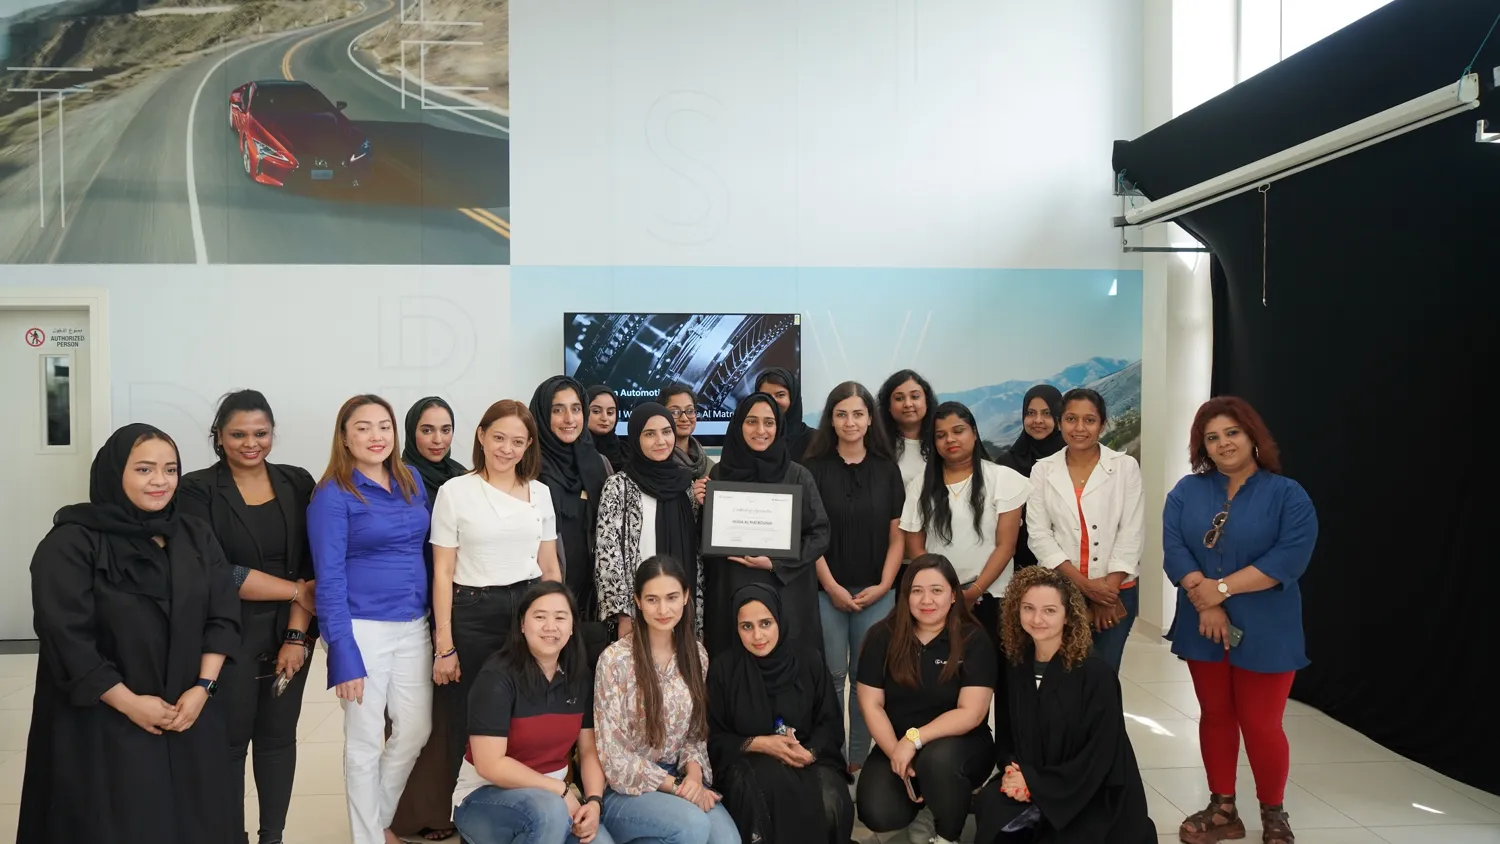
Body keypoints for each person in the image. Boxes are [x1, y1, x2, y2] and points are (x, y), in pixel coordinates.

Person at [19, 423, 240, 843]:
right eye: (144, 469)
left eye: (170, 469)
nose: (160, 481)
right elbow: (67, 638)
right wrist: (130, 704)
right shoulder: (71, 543)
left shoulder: (194, 533)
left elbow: (223, 614)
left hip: (188, 711)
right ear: (114, 472)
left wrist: (203, 688)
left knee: (198, 819)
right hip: (104, 721)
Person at [1163, 397, 1318, 844]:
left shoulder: (1288, 494)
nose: (1223, 443)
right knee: (1215, 714)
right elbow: (1175, 548)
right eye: (1212, 437)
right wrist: (1206, 601)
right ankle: (1222, 809)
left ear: (1252, 436)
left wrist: (1223, 589)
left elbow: (1289, 556)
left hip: (1269, 625)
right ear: (1202, 448)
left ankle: (1274, 813)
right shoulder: (1186, 492)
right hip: (1201, 620)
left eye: (1232, 432)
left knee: (1261, 722)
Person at [179, 391, 318, 844]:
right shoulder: (196, 489)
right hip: (226, 632)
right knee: (230, 742)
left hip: (290, 631)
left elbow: (310, 566)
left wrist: (297, 634)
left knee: (279, 740)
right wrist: (296, 590)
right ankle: (229, 834)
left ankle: (272, 837)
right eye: (238, 434)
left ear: (272, 434)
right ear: (218, 436)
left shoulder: (297, 482)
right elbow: (219, 570)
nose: (250, 443)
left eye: (260, 433)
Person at [308, 394, 434, 844]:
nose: (376, 436)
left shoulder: (410, 478)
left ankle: (377, 818)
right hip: (361, 628)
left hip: (413, 624)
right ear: (344, 436)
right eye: (363, 427)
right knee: (363, 742)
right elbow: (329, 576)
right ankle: (368, 838)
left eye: (384, 426)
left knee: (416, 728)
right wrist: (342, 651)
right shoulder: (331, 495)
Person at [430, 399, 562, 793]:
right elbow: (442, 571)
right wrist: (444, 644)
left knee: (527, 711)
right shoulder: (455, 491)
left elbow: (550, 567)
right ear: (481, 436)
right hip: (473, 611)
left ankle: (525, 802)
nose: (507, 449)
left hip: (530, 610)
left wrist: (557, 623)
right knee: (473, 714)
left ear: (529, 446)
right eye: (499, 437)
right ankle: (470, 809)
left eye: (518, 442)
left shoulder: (539, 493)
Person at [972, 566, 1157, 844]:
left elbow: (1099, 755)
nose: (1037, 619)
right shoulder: (1015, 665)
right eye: (1028, 608)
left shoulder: (1095, 673)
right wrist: (1014, 772)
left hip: (1087, 790)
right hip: (1033, 777)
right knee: (991, 806)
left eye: (1049, 610)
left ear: (1068, 615)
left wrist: (1036, 786)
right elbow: (1008, 735)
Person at [593, 556, 741, 844]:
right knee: (693, 827)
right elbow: (614, 754)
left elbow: (696, 734)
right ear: (637, 600)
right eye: (652, 599)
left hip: (680, 776)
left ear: (686, 596)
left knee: (727, 841)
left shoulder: (696, 655)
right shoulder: (614, 660)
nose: (663, 609)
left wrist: (695, 779)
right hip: (627, 789)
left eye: (672, 597)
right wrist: (677, 787)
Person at [452, 581, 613, 844]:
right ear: (522, 625)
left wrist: (594, 801)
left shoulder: (580, 677)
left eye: (561, 617)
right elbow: (489, 764)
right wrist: (560, 790)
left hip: (554, 801)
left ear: (572, 627)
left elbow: (588, 751)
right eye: (540, 617)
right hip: (484, 797)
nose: (551, 627)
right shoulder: (497, 677)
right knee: (546, 813)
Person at [854, 555, 998, 844]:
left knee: (937, 762)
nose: (926, 600)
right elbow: (871, 704)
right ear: (905, 595)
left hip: (960, 744)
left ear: (954, 595)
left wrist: (914, 739)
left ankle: (947, 835)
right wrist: (898, 752)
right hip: (896, 742)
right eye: (916, 591)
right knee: (877, 812)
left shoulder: (974, 639)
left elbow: (971, 712)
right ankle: (929, 804)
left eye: (937, 590)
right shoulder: (881, 636)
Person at [802, 381, 905, 771]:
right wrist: (830, 586)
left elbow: (898, 537)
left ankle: (859, 761)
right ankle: (832, 758)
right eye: (842, 413)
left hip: (877, 592)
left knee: (868, 680)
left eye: (858, 413)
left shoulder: (887, 469)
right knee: (831, 676)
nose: (850, 421)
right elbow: (808, 535)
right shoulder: (811, 470)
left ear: (869, 418)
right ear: (831, 418)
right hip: (825, 590)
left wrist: (884, 585)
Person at [707, 583, 854, 844]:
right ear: (736, 627)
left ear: (780, 620)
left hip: (807, 757)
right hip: (748, 762)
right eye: (746, 626)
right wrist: (759, 743)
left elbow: (829, 723)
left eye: (766, 623)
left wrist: (810, 752)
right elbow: (713, 737)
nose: (757, 636)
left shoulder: (809, 660)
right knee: (762, 791)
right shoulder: (723, 670)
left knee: (830, 800)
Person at [1024, 388, 1144, 672]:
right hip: (1062, 591)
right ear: (1060, 422)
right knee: (1062, 674)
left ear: (1102, 424)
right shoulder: (1042, 470)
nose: (1079, 428)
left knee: (1103, 673)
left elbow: (1131, 532)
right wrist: (1087, 586)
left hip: (1117, 592)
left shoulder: (1125, 467)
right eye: (1071, 419)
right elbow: (1039, 536)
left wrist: (1107, 593)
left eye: (1089, 420)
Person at [392, 396, 468, 842]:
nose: (437, 439)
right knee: (412, 716)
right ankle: (407, 816)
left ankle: (446, 809)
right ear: (411, 432)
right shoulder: (399, 477)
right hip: (412, 606)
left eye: (445, 429)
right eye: (427, 430)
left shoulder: (462, 478)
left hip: (459, 603)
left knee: (451, 715)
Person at [703, 392, 830, 658]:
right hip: (732, 587)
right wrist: (700, 503)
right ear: (738, 426)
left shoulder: (797, 475)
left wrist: (776, 563)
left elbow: (820, 534)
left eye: (769, 422)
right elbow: (705, 538)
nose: (761, 430)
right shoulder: (719, 474)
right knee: (735, 668)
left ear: (779, 427)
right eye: (751, 421)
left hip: (785, 590)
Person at [595, 403, 702, 641]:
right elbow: (608, 555)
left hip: (680, 609)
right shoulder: (618, 486)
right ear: (635, 438)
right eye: (649, 434)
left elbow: (695, 552)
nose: (660, 441)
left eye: (666, 431)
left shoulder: (686, 485)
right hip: (637, 611)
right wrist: (623, 614)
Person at [531, 376, 610, 631]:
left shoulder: (599, 464)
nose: (569, 419)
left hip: (594, 599)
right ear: (542, 415)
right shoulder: (528, 469)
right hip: (545, 596)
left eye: (576, 409)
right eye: (557, 410)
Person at [994, 385, 1066, 572]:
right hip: (1018, 567)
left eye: (1047, 413)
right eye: (1031, 413)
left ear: (1059, 417)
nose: (1038, 420)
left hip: (1069, 565)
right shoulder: (1006, 464)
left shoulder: (1071, 459)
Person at [878, 369, 936, 488]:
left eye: (915, 397)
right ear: (888, 405)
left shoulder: (940, 441)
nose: (908, 404)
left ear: (926, 401)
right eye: (899, 398)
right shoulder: (878, 446)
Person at [753, 367, 813, 463]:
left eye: (780, 395)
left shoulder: (815, 441)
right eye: (765, 396)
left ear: (792, 398)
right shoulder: (752, 438)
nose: (772, 401)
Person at [659, 384, 714, 479]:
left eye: (690, 411)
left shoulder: (709, 467)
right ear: (660, 415)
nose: (684, 418)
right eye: (675, 412)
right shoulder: (655, 464)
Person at [588, 385, 627, 472]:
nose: (604, 418)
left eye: (610, 412)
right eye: (596, 411)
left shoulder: (626, 453)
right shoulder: (573, 451)